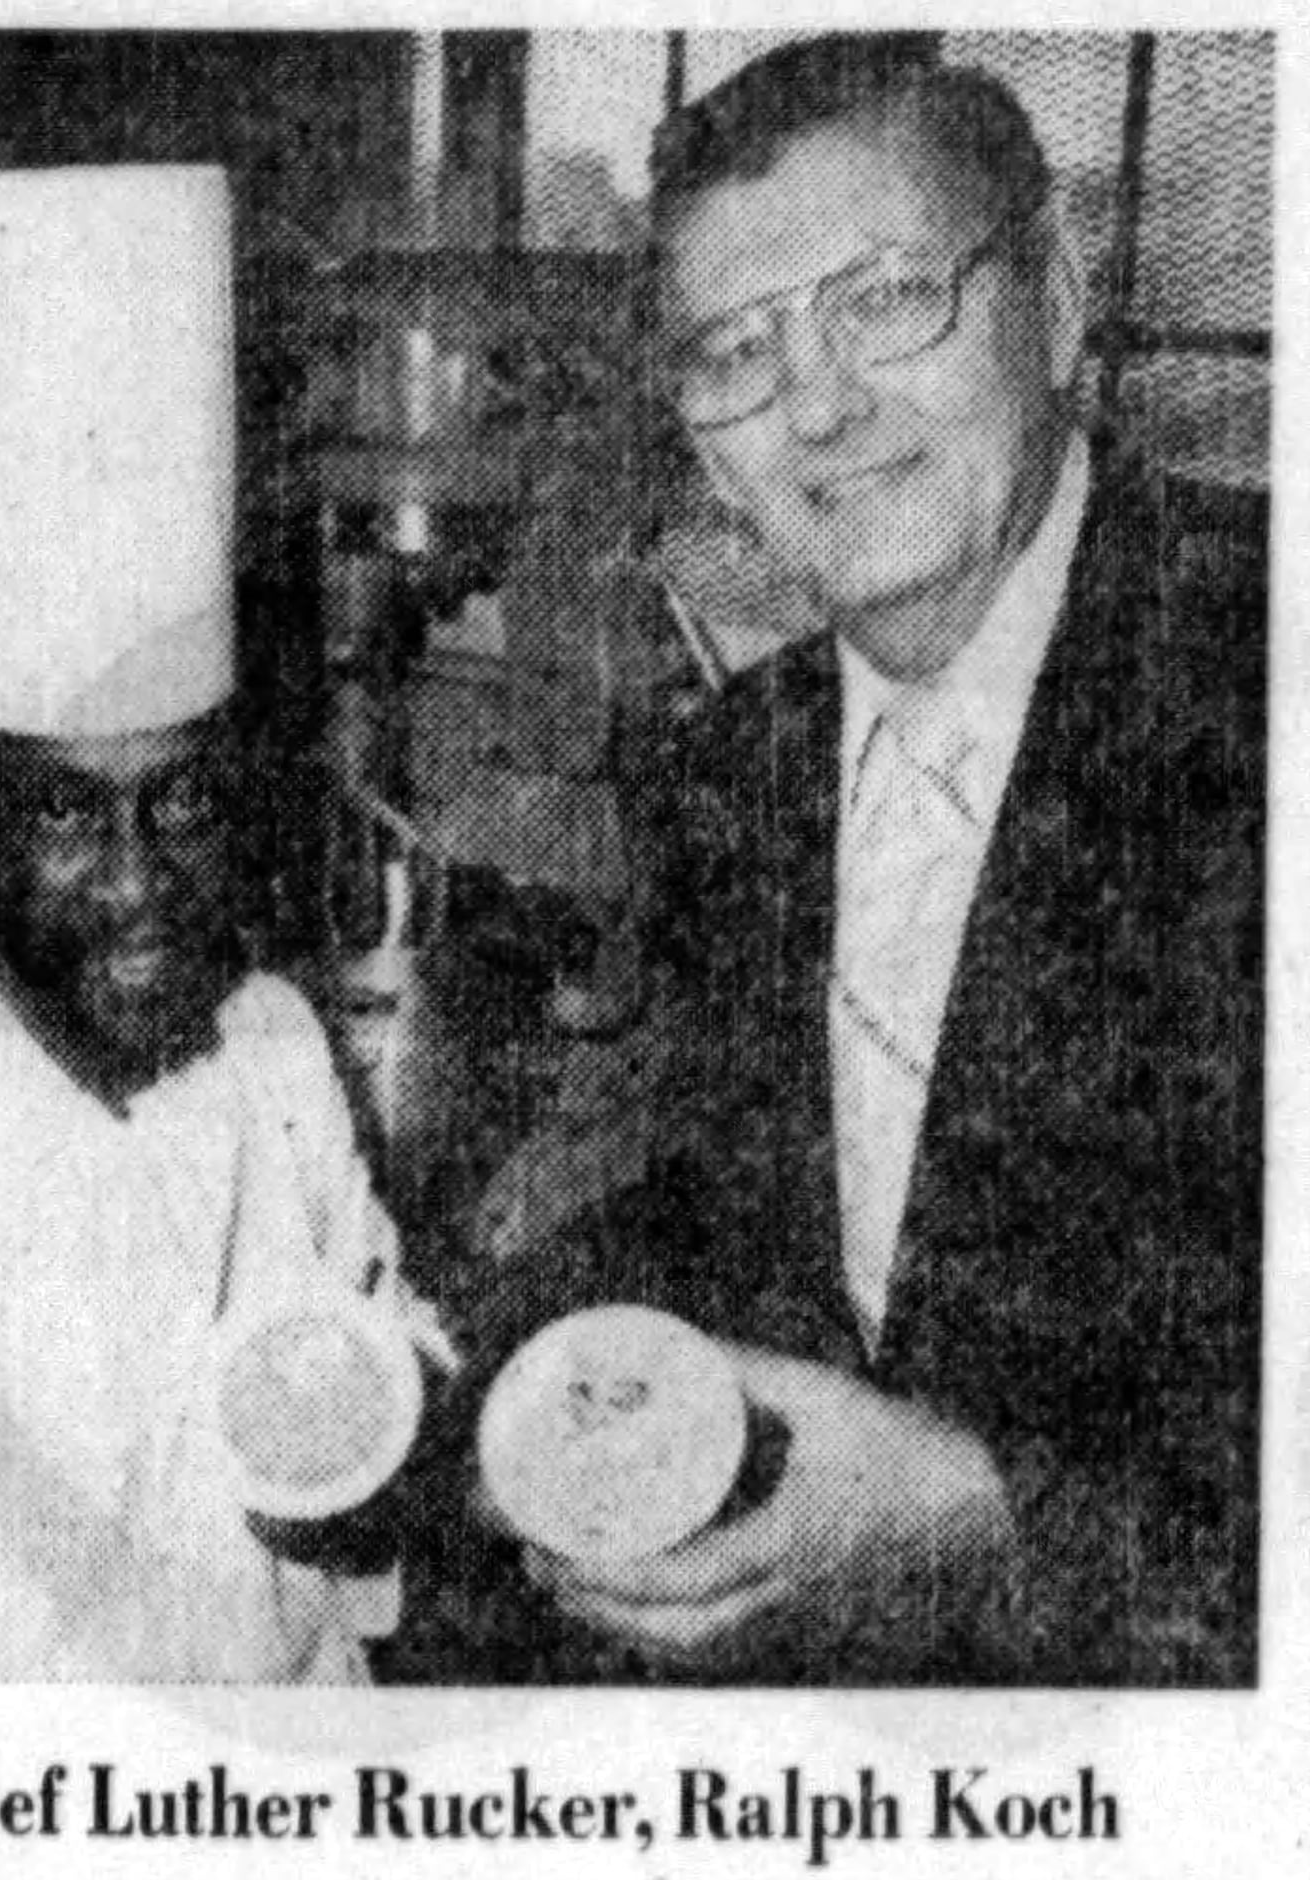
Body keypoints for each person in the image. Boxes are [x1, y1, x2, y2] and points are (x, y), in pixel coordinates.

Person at [515, 34, 1264, 1685]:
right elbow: (768, 1234)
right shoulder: (732, 771)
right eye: (736, 352)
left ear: (1057, 298)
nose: (822, 408)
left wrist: (992, 1524)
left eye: (887, 299)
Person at [0, 166, 424, 1682]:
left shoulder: (273, 1045)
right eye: (65, 813)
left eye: (184, 803)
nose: (140, 879)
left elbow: (378, 1318)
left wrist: (388, 1447)